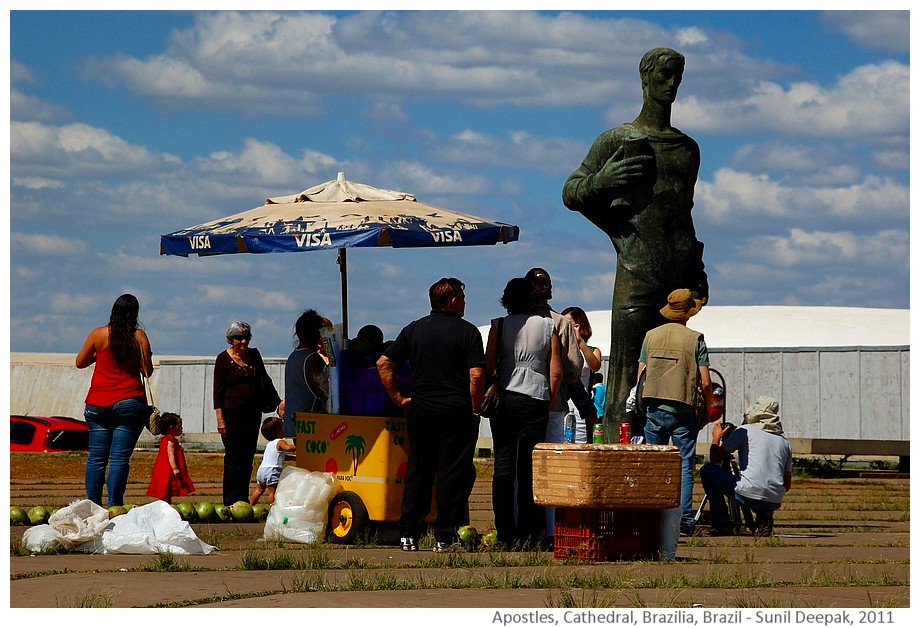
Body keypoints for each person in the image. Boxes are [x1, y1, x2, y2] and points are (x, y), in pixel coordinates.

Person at [562, 47, 709, 435]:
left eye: (677, 76)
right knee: (626, 374)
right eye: (663, 76)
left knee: (676, 376)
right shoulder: (618, 139)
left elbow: (684, 215)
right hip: (637, 273)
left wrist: (697, 269)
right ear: (644, 80)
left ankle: (664, 468)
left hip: (678, 277)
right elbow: (572, 192)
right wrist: (603, 182)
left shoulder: (687, 150)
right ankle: (617, 462)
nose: (671, 84)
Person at [376, 277, 485, 552]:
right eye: (461, 297)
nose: (464, 302)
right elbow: (476, 374)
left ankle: (409, 533)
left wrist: (399, 398)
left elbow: (383, 362)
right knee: (451, 473)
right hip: (455, 411)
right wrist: (475, 408)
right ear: (451, 300)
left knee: (419, 471)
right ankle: (444, 535)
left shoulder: (414, 329)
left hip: (421, 409)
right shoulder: (468, 332)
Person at [486, 277, 563, 549]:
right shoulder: (547, 326)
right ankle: (530, 533)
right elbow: (556, 370)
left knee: (503, 468)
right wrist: (547, 399)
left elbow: (488, 364)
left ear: (506, 299)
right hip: (536, 399)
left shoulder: (500, 324)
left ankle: (505, 532)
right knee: (529, 469)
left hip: (505, 399)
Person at [638, 288, 712, 536]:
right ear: (689, 312)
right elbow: (706, 382)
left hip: (653, 406)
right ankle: (684, 521)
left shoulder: (650, 336)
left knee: (654, 465)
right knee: (684, 466)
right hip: (683, 408)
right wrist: (706, 407)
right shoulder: (695, 339)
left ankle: (652, 516)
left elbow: (641, 375)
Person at [76, 293, 154, 507]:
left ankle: (92, 506)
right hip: (129, 401)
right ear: (135, 313)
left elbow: (80, 362)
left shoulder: (98, 334)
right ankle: (114, 505)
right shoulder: (139, 336)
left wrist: (98, 356)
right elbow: (147, 371)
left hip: (98, 402)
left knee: (96, 458)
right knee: (119, 459)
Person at [700, 396, 792, 537]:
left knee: (707, 470)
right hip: (774, 500)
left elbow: (715, 458)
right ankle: (764, 515)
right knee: (760, 492)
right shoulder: (784, 442)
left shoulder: (746, 431)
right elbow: (787, 484)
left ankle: (721, 522)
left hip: (748, 494)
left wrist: (716, 438)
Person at [213, 321, 281, 506]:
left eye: (246, 338)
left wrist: (278, 402)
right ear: (230, 339)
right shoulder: (223, 359)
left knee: (247, 457)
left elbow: (264, 379)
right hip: (231, 414)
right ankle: (230, 501)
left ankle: (242, 499)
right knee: (233, 457)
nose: (243, 342)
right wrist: (220, 419)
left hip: (252, 413)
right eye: (238, 338)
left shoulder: (254, 355)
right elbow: (217, 392)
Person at [523, 269, 593, 443]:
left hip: (520, 400)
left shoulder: (516, 321)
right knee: (551, 453)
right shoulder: (560, 322)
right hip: (553, 400)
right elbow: (574, 367)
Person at [282, 309, 331, 438]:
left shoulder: (293, 356)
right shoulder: (312, 359)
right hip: (309, 425)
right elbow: (324, 390)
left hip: (293, 423)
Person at [561, 306, 603, 443]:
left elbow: (595, 366)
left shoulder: (592, 350)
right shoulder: (560, 349)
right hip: (562, 406)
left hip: (582, 407)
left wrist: (580, 342)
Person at [146, 412, 195, 503]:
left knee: (166, 489)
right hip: (168, 469)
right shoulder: (171, 440)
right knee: (167, 487)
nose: (182, 428)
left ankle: (166, 503)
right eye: (179, 426)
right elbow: (171, 455)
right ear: (171, 428)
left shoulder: (166, 439)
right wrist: (175, 468)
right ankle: (166, 504)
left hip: (164, 467)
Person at [250, 416, 297, 506]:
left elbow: (278, 456)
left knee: (259, 490)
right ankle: (271, 509)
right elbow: (288, 448)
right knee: (273, 491)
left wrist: (292, 458)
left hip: (262, 470)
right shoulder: (280, 442)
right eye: (283, 426)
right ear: (278, 430)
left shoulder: (270, 444)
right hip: (272, 470)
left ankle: (250, 505)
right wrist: (299, 446)